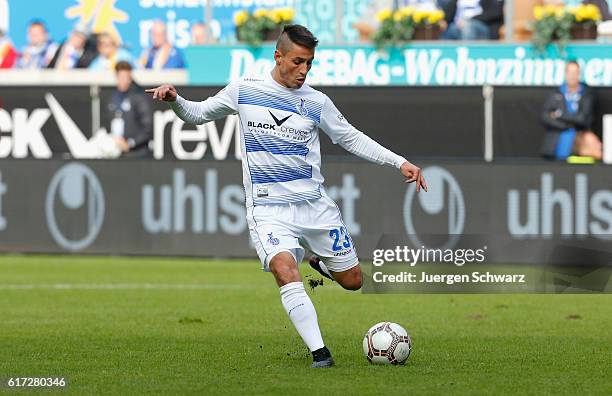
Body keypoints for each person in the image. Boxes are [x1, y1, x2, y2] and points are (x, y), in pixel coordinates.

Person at [147, 24, 427, 368]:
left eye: (309, 63)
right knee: (284, 268)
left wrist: (398, 162)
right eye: (297, 61)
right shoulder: (244, 90)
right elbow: (198, 113)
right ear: (278, 56)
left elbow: (351, 137)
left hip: (315, 208)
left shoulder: (316, 102)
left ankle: (323, 264)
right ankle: (320, 354)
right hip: (268, 209)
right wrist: (175, 100)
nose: (304, 70)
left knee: (354, 281)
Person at [540, 60, 602, 160]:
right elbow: (545, 117)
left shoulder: (587, 94)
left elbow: (583, 119)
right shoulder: (556, 93)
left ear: (579, 74)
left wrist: (559, 115)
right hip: (555, 148)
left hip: (579, 148)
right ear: (565, 73)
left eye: (575, 72)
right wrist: (566, 124)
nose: (572, 76)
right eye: (570, 72)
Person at [107, 61, 153, 157]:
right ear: (116, 77)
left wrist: (130, 143)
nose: (124, 81)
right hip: (116, 153)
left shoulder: (139, 96)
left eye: (126, 77)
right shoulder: (113, 97)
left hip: (137, 154)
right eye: (121, 77)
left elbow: (148, 128)